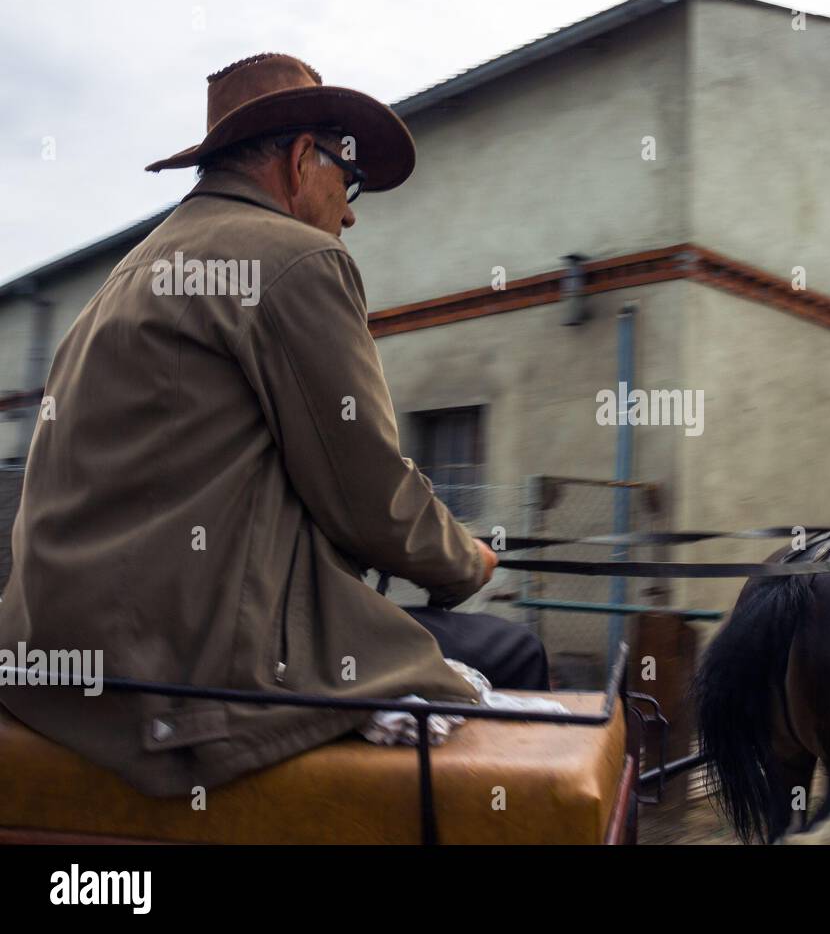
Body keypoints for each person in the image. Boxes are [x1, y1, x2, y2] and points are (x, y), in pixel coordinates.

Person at [0, 53, 547, 798]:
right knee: (513, 652)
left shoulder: (127, 278)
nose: (350, 210)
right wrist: (464, 562)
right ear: (299, 161)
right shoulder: (296, 259)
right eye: (347, 181)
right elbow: (366, 490)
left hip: (58, 660)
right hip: (190, 667)